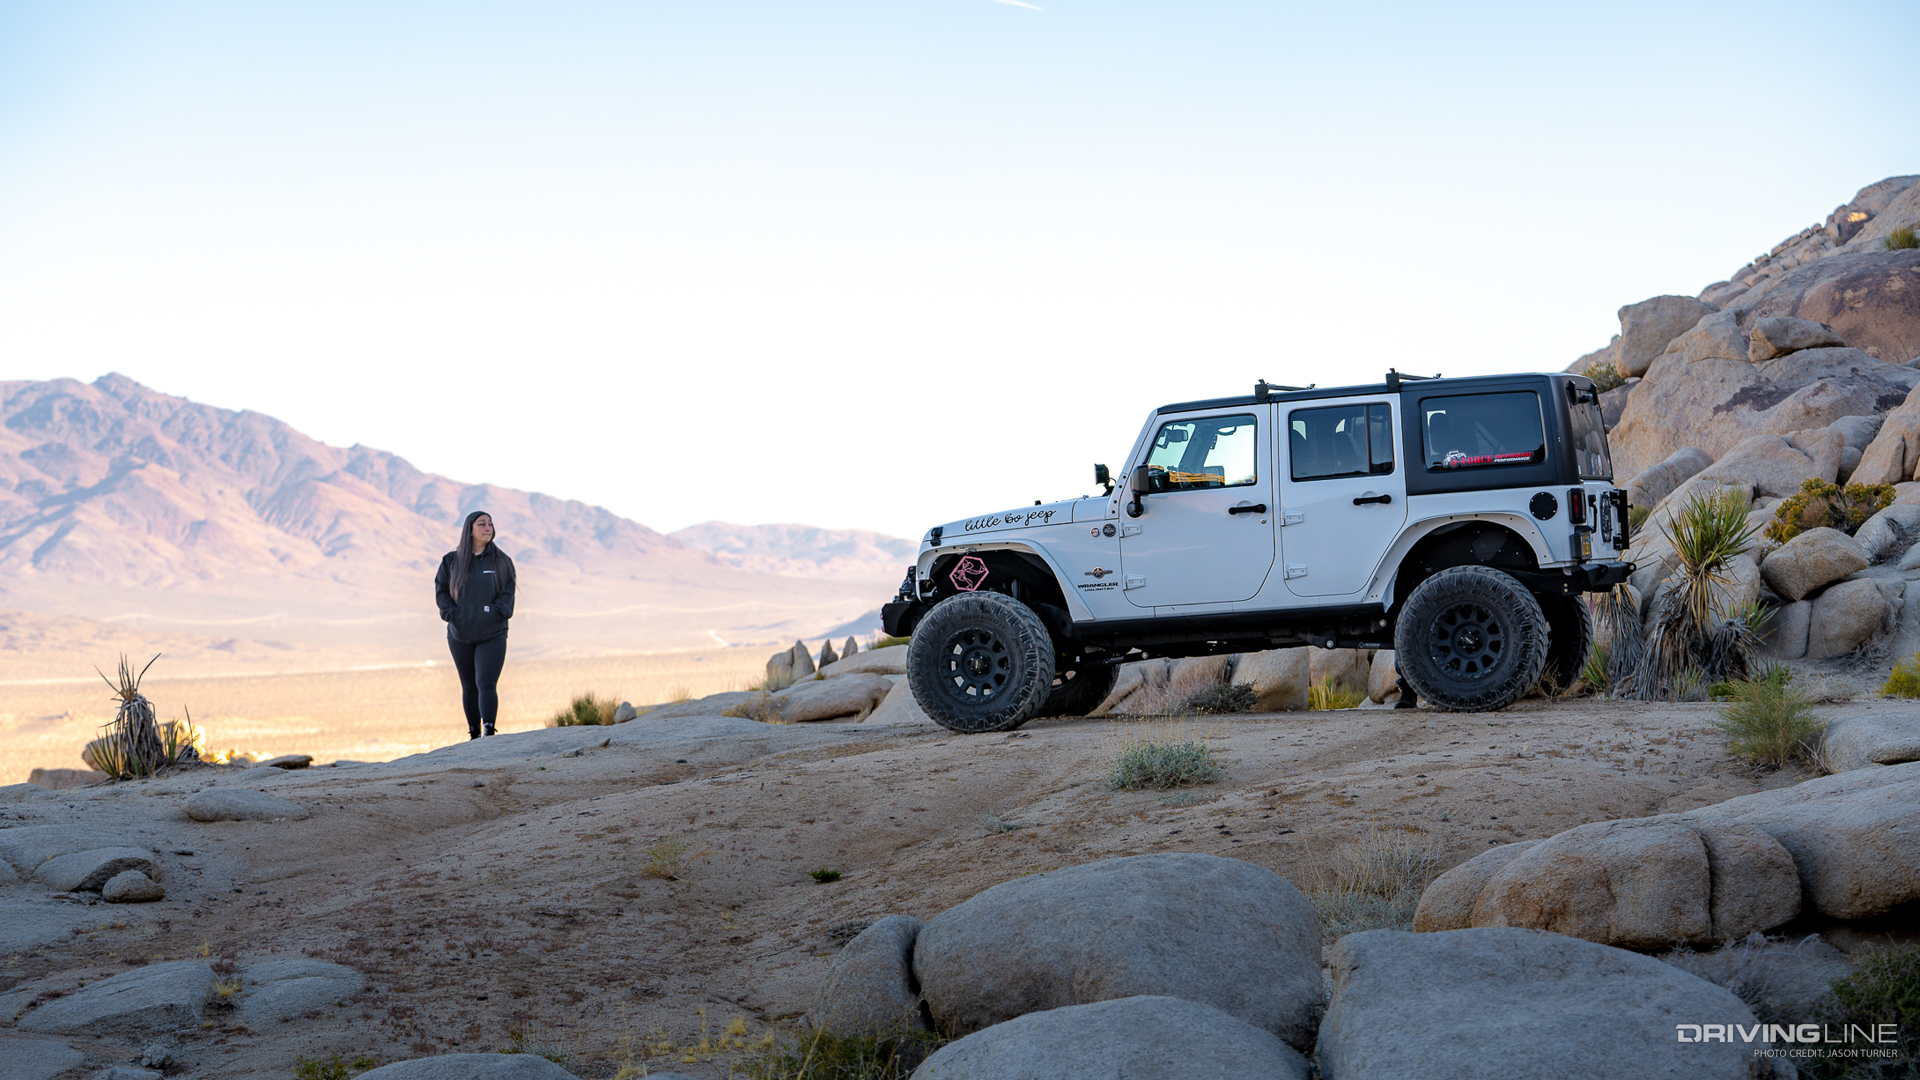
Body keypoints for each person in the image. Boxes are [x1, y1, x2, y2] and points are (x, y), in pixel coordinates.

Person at [435, 511, 517, 739]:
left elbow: (507, 596)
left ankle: (489, 732)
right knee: (469, 685)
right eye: (482, 524)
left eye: (490, 524)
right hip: (460, 635)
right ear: (469, 529)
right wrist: (453, 614)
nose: (488, 528)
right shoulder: (451, 561)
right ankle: (474, 734)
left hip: (492, 634)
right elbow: (441, 592)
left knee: (486, 682)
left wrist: (493, 613)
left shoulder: (502, 561)